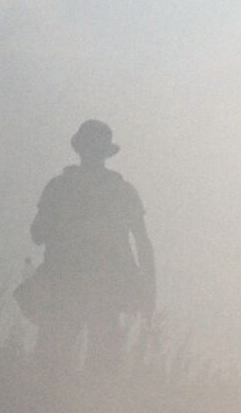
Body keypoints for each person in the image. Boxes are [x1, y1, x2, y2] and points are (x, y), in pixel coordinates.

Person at [15, 120, 155, 375]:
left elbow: (37, 233)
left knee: (52, 363)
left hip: (68, 283)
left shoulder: (59, 187)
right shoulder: (122, 191)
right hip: (103, 286)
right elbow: (143, 243)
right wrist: (148, 287)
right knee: (100, 367)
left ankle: (49, 409)